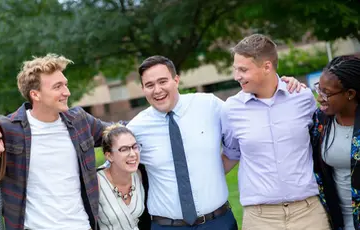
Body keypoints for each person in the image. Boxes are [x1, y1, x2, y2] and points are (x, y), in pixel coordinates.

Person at [126, 54, 302, 230]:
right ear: (143, 89)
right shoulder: (136, 129)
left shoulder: (209, 105)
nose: (157, 90)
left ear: (176, 80)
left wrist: (280, 86)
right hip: (166, 225)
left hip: (218, 222)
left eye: (163, 81)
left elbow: (250, 112)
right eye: (149, 85)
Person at [221, 34, 330, 230]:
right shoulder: (231, 109)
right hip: (259, 218)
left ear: (267, 67)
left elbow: (321, 141)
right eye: (235, 69)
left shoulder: (303, 97)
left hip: (309, 213)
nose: (236, 76)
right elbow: (231, 154)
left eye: (243, 70)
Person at [0, 54, 111, 230]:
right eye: (58, 86)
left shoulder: (79, 121)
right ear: (35, 94)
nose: (67, 92)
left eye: (65, 84)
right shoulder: (8, 129)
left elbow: (116, 133)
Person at [311, 55, 360, 230]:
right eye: (318, 89)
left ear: (350, 94)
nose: (320, 97)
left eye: (327, 93)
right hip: (339, 220)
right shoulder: (321, 121)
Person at [97, 124, 145, 230]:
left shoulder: (139, 175)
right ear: (109, 156)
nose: (133, 154)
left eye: (135, 147)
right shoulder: (97, 182)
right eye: (124, 149)